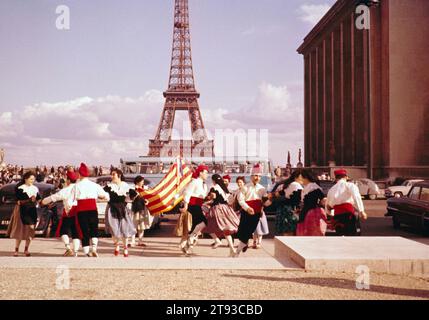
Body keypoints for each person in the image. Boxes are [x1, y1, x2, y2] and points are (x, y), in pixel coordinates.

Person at [71, 163, 109, 257]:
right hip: (92, 209)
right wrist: (100, 197)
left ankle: (86, 252)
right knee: (94, 229)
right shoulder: (94, 185)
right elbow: (105, 196)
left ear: (79, 174)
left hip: (81, 210)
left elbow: (72, 199)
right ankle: (94, 248)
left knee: (84, 231)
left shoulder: (76, 186)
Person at [234, 164, 272, 257]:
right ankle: (244, 243)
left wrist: (271, 199)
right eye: (255, 175)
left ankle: (237, 252)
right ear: (251, 177)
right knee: (242, 232)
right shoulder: (245, 187)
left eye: (259, 176)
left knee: (247, 232)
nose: (257, 178)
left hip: (256, 214)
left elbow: (265, 202)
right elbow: (240, 200)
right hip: (246, 213)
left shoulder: (262, 189)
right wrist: (247, 208)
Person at [41, 171, 81, 257]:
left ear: (68, 180)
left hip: (69, 212)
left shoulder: (66, 190)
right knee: (76, 233)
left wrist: (43, 201)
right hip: (79, 212)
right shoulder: (80, 189)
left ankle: (68, 249)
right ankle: (76, 252)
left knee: (63, 231)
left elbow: (53, 197)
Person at [203, 174, 240, 256]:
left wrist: (206, 198)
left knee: (207, 225)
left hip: (217, 209)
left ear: (214, 180)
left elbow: (213, 197)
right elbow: (229, 200)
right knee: (226, 230)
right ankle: (232, 249)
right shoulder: (225, 188)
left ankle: (217, 240)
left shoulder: (214, 187)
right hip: (226, 209)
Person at [7, 171, 41, 257]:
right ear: (26, 179)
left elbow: (39, 199)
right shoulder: (19, 188)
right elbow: (17, 201)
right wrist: (29, 200)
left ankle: (26, 249)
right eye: (31, 179)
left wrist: (46, 203)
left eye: (33, 179)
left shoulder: (35, 188)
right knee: (20, 231)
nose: (32, 181)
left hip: (31, 211)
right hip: (21, 211)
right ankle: (16, 250)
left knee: (30, 231)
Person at [104, 168, 136, 257]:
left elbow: (134, 195)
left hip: (122, 209)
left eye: (113, 174)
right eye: (112, 174)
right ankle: (117, 245)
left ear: (119, 175)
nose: (112, 176)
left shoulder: (125, 186)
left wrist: (131, 199)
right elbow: (101, 194)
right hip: (112, 209)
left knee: (125, 229)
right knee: (114, 230)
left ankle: (125, 248)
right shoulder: (109, 186)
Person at [326, 169, 367, 236]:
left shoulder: (331, 189)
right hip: (348, 214)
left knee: (340, 236)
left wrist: (330, 213)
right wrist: (361, 211)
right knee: (350, 235)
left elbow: (328, 205)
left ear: (336, 178)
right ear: (346, 177)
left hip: (337, 216)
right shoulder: (350, 185)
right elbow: (356, 197)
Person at [183, 165, 209, 253]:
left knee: (196, 225)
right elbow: (187, 192)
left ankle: (186, 246)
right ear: (200, 173)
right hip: (193, 205)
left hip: (198, 205)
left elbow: (201, 196)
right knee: (204, 222)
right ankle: (191, 237)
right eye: (206, 173)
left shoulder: (203, 184)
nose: (207, 175)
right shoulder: (195, 182)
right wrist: (185, 205)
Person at [296, 169, 327, 236]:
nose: (299, 178)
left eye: (300, 177)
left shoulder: (314, 187)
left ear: (306, 177)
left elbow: (323, 199)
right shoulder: (307, 188)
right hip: (306, 213)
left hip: (312, 215)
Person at [274, 170, 303, 236]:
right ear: (296, 177)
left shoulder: (283, 184)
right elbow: (300, 199)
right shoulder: (295, 185)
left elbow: (275, 196)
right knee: (290, 233)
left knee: (286, 233)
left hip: (282, 210)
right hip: (290, 211)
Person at [129, 175, 151, 247]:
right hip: (135, 209)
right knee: (134, 226)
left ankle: (140, 241)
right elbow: (131, 199)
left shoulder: (144, 189)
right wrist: (136, 193)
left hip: (142, 209)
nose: (143, 182)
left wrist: (146, 201)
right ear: (137, 181)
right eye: (142, 181)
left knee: (142, 227)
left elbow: (145, 199)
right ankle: (132, 241)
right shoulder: (133, 189)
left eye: (143, 181)